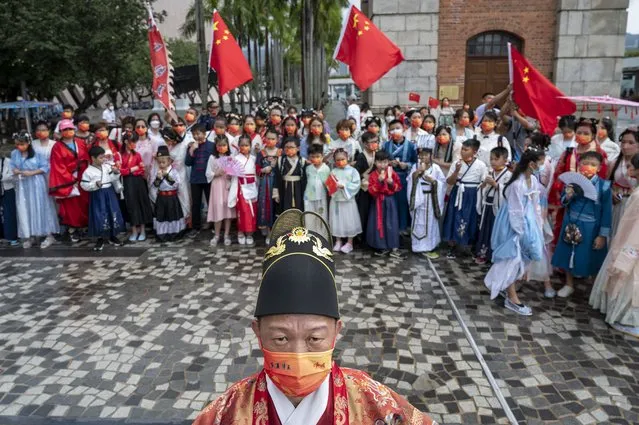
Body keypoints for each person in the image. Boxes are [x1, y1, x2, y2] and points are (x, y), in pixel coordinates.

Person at [191, 211, 438, 425]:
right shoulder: (228, 412)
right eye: (280, 338)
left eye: (315, 338)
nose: (298, 355)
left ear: (336, 331)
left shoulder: (375, 402)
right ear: (257, 331)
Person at [484, 148, 546, 316]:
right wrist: (520, 231)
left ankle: (507, 288)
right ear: (532, 164)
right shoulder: (516, 184)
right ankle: (512, 297)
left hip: (528, 221)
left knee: (521, 258)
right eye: (540, 164)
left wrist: (537, 225)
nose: (542, 167)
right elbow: (515, 211)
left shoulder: (532, 180)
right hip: (512, 224)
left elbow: (535, 204)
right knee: (511, 258)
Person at [589, 153, 639, 337]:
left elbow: (632, 225)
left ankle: (623, 317)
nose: (628, 169)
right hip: (630, 240)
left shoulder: (637, 195)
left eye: (632, 166)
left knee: (628, 280)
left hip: (631, 241)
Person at [552, 151, 612, 298]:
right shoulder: (573, 183)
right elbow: (563, 202)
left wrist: (602, 235)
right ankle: (569, 284)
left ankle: (593, 287)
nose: (588, 167)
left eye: (593, 164)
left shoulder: (604, 187)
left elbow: (606, 213)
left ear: (599, 168)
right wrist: (570, 194)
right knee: (567, 253)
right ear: (579, 165)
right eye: (585, 163)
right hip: (571, 222)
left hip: (591, 226)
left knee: (591, 255)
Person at [549, 118, 608, 248]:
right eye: (579, 132)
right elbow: (559, 175)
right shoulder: (569, 152)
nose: (582, 136)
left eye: (586, 133)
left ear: (593, 135)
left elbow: (603, 178)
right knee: (565, 229)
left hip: (590, 202)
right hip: (569, 197)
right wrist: (562, 191)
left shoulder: (600, 154)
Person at [11, 131, 59, 249]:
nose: (19, 147)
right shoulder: (14, 154)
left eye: (22, 144)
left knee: (41, 206)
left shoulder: (37, 153)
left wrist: (32, 172)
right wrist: (16, 170)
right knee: (26, 208)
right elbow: (12, 166)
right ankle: (30, 235)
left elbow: (45, 166)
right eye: (17, 144)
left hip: (37, 183)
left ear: (28, 143)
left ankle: (48, 235)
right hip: (23, 184)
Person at [442, 138, 488, 259]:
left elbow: (484, 182)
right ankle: (452, 246)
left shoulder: (481, 165)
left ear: (474, 152)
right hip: (458, 192)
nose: (463, 151)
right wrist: (456, 171)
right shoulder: (456, 163)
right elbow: (449, 181)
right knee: (454, 217)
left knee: (471, 218)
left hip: (473, 194)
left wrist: (483, 185)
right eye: (462, 149)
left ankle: (469, 246)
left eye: (466, 149)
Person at [49, 119, 90, 242]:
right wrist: (71, 179)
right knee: (71, 206)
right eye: (65, 129)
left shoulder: (80, 142)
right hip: (68, 180)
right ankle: (72, 230)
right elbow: (57, 166)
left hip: (83, 178)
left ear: (74, 129)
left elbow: (87, 158)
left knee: (84, 203)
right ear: (61, 132)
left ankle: (83, 228)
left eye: (70, 129)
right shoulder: (57, 147)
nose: (68, 131)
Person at [80, 146, 124, 251]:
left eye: (104, 157)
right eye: (100, 157)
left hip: (109, 192)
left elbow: (112, 178)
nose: (103, 159)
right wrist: (95, 184)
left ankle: (112, 236)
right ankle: (100, 237)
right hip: (97, 194)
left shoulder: (107, 167)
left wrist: (116, 172)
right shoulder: (88, 171)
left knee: (112, 212)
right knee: (100, 214)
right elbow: (83, 185)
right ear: (93, 158)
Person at [474, 147, 512, 265]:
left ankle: (495, 254)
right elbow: (480, 188)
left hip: (499, 207)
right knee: (485, 230)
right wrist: (484, 184)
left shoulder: (508, 175)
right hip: (488, 205)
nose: (493, 161)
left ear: (505, 160)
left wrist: (496, 185)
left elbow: (508, 192)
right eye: (491, 159)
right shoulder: (489, 172)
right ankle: (483, 254)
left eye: (496, 159)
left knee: (496, 230)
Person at [408, 148, 446, 259]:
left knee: (430, 223)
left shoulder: (436, 168)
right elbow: (410, 180)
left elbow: (442, 183)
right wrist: (418, 172)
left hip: (431, 199)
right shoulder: (415, 167)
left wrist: (433, 181)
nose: (423, 157)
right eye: (421, 155)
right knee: (418, 221)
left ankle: (430, 246)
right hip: (419, 198)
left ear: (431, 156)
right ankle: (418, 246)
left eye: (426, 155)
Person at [383, 119, 417, 235]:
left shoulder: (412, 146)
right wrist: (388, 163)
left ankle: (403, 227)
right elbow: (380, 161)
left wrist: (407, 165)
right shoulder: (385, 145)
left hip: (405, 179)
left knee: (403, 203)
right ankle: (391, 228)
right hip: (389, 178)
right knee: (391, 203)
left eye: (397, 128)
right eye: (392, 129)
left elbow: (416, 162)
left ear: (403, 129)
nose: (395, 131)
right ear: (388, 132)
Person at [366, 150, 403, 259]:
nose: (382, 165)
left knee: (391, 223)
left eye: (385, 162)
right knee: (378, 223)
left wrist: (391, 183)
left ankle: (393, 247)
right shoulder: (373, 175)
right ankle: (382, 246)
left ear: (388, 162)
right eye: (380, 162)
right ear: (375, 162)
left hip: (389, 201)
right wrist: (379, 181)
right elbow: (371, 191)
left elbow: (398, 187)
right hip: (377, 202)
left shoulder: (392, 172)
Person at [151, 127, 190, 221]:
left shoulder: (182, 145)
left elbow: (178, 161)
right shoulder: (166, 147)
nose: (167, 142)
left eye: (168, 140)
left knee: (183, 196)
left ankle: (185, 219)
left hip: (179, 172)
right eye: (166, 140)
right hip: (168, 171)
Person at [120, 134, 153, 242]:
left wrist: (132, 170)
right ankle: (134, 230)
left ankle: (143, 230)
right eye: (132, 142)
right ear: (125, 142)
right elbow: (120, 171)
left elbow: (141, 169)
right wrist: (131, 170)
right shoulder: (120, 155)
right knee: (131, 205)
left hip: (138, 181)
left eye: (135, 142)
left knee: (141, 203)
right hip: (127, 182)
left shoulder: (137, 154)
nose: (134, 144)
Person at [329, 149, 362, 254]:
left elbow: (356, 184)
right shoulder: (333, 171)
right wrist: (334, 186)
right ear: (334, 161)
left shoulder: (353, 171)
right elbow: (329, 186)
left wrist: (345, 186)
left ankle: (349, 242)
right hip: (336, 200)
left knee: (349, 220)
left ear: (347, 158)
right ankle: (338, 241)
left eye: (342, 159)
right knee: (337, 220)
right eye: (337, 160)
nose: (340, 162)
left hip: (348, 201)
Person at [150, 145, 186, 242]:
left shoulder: (173, 172)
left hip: (172, 197)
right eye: (159, 162)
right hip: (161, 197)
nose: (161, 164)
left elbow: (176, 184)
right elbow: (154, 186)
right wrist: (158, 178)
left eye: (163, 162)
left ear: (169, 161)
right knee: (162, 216)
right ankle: (163, 234)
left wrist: (167, 176)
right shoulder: (157, 172)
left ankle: (174, 234)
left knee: (172, 215)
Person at [206, 135, 236, 247]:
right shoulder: (212, 158)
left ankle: (227, 235)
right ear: (216, 146)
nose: (222, 147)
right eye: (219, 145)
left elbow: (234, 173)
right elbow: (208, 173)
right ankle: (217, 235)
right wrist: (215, 173)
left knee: (227, 209)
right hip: (217, 185)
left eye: (224, 145)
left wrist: (230, 174)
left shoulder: (231, 158)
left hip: (227, 185)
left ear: (228, 146)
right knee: (218, 209)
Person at [609, 129, 639, 238]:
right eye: (623, 142)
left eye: (631, 143)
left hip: (635, 204)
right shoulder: (614, 163)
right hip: (618, 204)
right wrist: (611, 193)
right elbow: (607, 184)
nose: (625, 146)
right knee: (616, 234)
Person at [229, 135, 258, 246]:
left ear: (250, 146)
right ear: (239, 146)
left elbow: (256, 173)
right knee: (242, 211)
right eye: (242, 145)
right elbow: (231, 174)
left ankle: (250, 233)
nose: (244, 147)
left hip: (252, 186)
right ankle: (240, 232)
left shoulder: (254, 158)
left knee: (252, 211)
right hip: (241, 186)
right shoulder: (236, 159)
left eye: (247, 145)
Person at [186, 125, 215, 231]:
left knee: (211, 202)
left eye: (198, 133)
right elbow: (187, 162)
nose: (196, 136)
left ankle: (212, 224)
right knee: (196, 203)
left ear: (204, 133)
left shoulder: (212, 146)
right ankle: (195, 226)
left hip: (208, 179)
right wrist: (192, 150)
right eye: (194, 134)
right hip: (195, 179)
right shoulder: (191, 146)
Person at [256, 128, 281, 245]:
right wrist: (262, 170)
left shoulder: (281, 152)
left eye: (273, 139)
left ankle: (275, 231)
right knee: (265, 204)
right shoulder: (261, 153)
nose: (270, 141)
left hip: (277, 183)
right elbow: (256, 169)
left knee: (276, 205)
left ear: (277, 140)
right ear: (264, 139)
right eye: (268, 138)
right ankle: (267, 228)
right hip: (265, 182)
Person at [354, 132, 379, 246]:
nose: (374, 144)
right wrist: (365, 176)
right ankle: (362, 238)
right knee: (363, 213)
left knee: (374, 213)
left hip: (375, 188)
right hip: (364, 189)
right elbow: (356, 173)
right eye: (372, 142)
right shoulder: (360, 156)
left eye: (376, 141)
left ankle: (372, 237)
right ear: (364, 144)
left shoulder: (377, 155)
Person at [274, 137, 306, 213]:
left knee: (298, 209)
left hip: (298, 188)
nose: (288, 149)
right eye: (286, 147)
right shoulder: (280, 160)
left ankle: (298, 224)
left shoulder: (302, 161)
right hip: (284, 189)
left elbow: (305, 180)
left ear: (298, 148)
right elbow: (276, 178)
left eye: (291, 147)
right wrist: (276, 194)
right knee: (284, 209)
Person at [304, 144, 331, 234]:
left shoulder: (326, 169)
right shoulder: (308, 168)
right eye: (312, 156)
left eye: (318, 156)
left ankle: (322, 237)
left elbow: (329, 184)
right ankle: (310, 236)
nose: (315, 159)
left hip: (321, 196)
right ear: (309, 157)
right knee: (309, 217)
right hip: (309, 197)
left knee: (322, 216)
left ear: (322, 156)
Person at [0, 154, 18, 246]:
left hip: (8, 189)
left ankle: (11, 237)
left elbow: (13, 175)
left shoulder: (8, 161)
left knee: (9, 214)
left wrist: (2, 178)